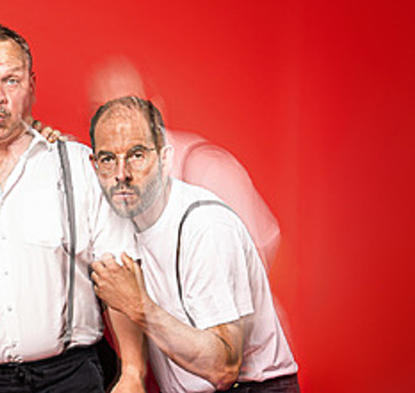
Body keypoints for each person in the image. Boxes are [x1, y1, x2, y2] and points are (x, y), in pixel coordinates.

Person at [0, 24, 148, 393]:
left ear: (31, 86)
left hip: (66, 389)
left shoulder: (77, 166)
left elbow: (118, 275)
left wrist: (132, 373)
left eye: (11, 81)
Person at [88, 96, 300, 393]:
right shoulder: (116, 218)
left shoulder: (205, 226)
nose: (121, 173)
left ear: (164, 158)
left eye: (137, 155)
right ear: (95, 165)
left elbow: (224, 367)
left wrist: (139, 306)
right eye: (109, 159)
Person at [85, 57, 281, 270]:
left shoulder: (207, 171)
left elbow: (253, 266)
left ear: (156, 112)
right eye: (100, 109)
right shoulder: (98, 185)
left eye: (127, 105)